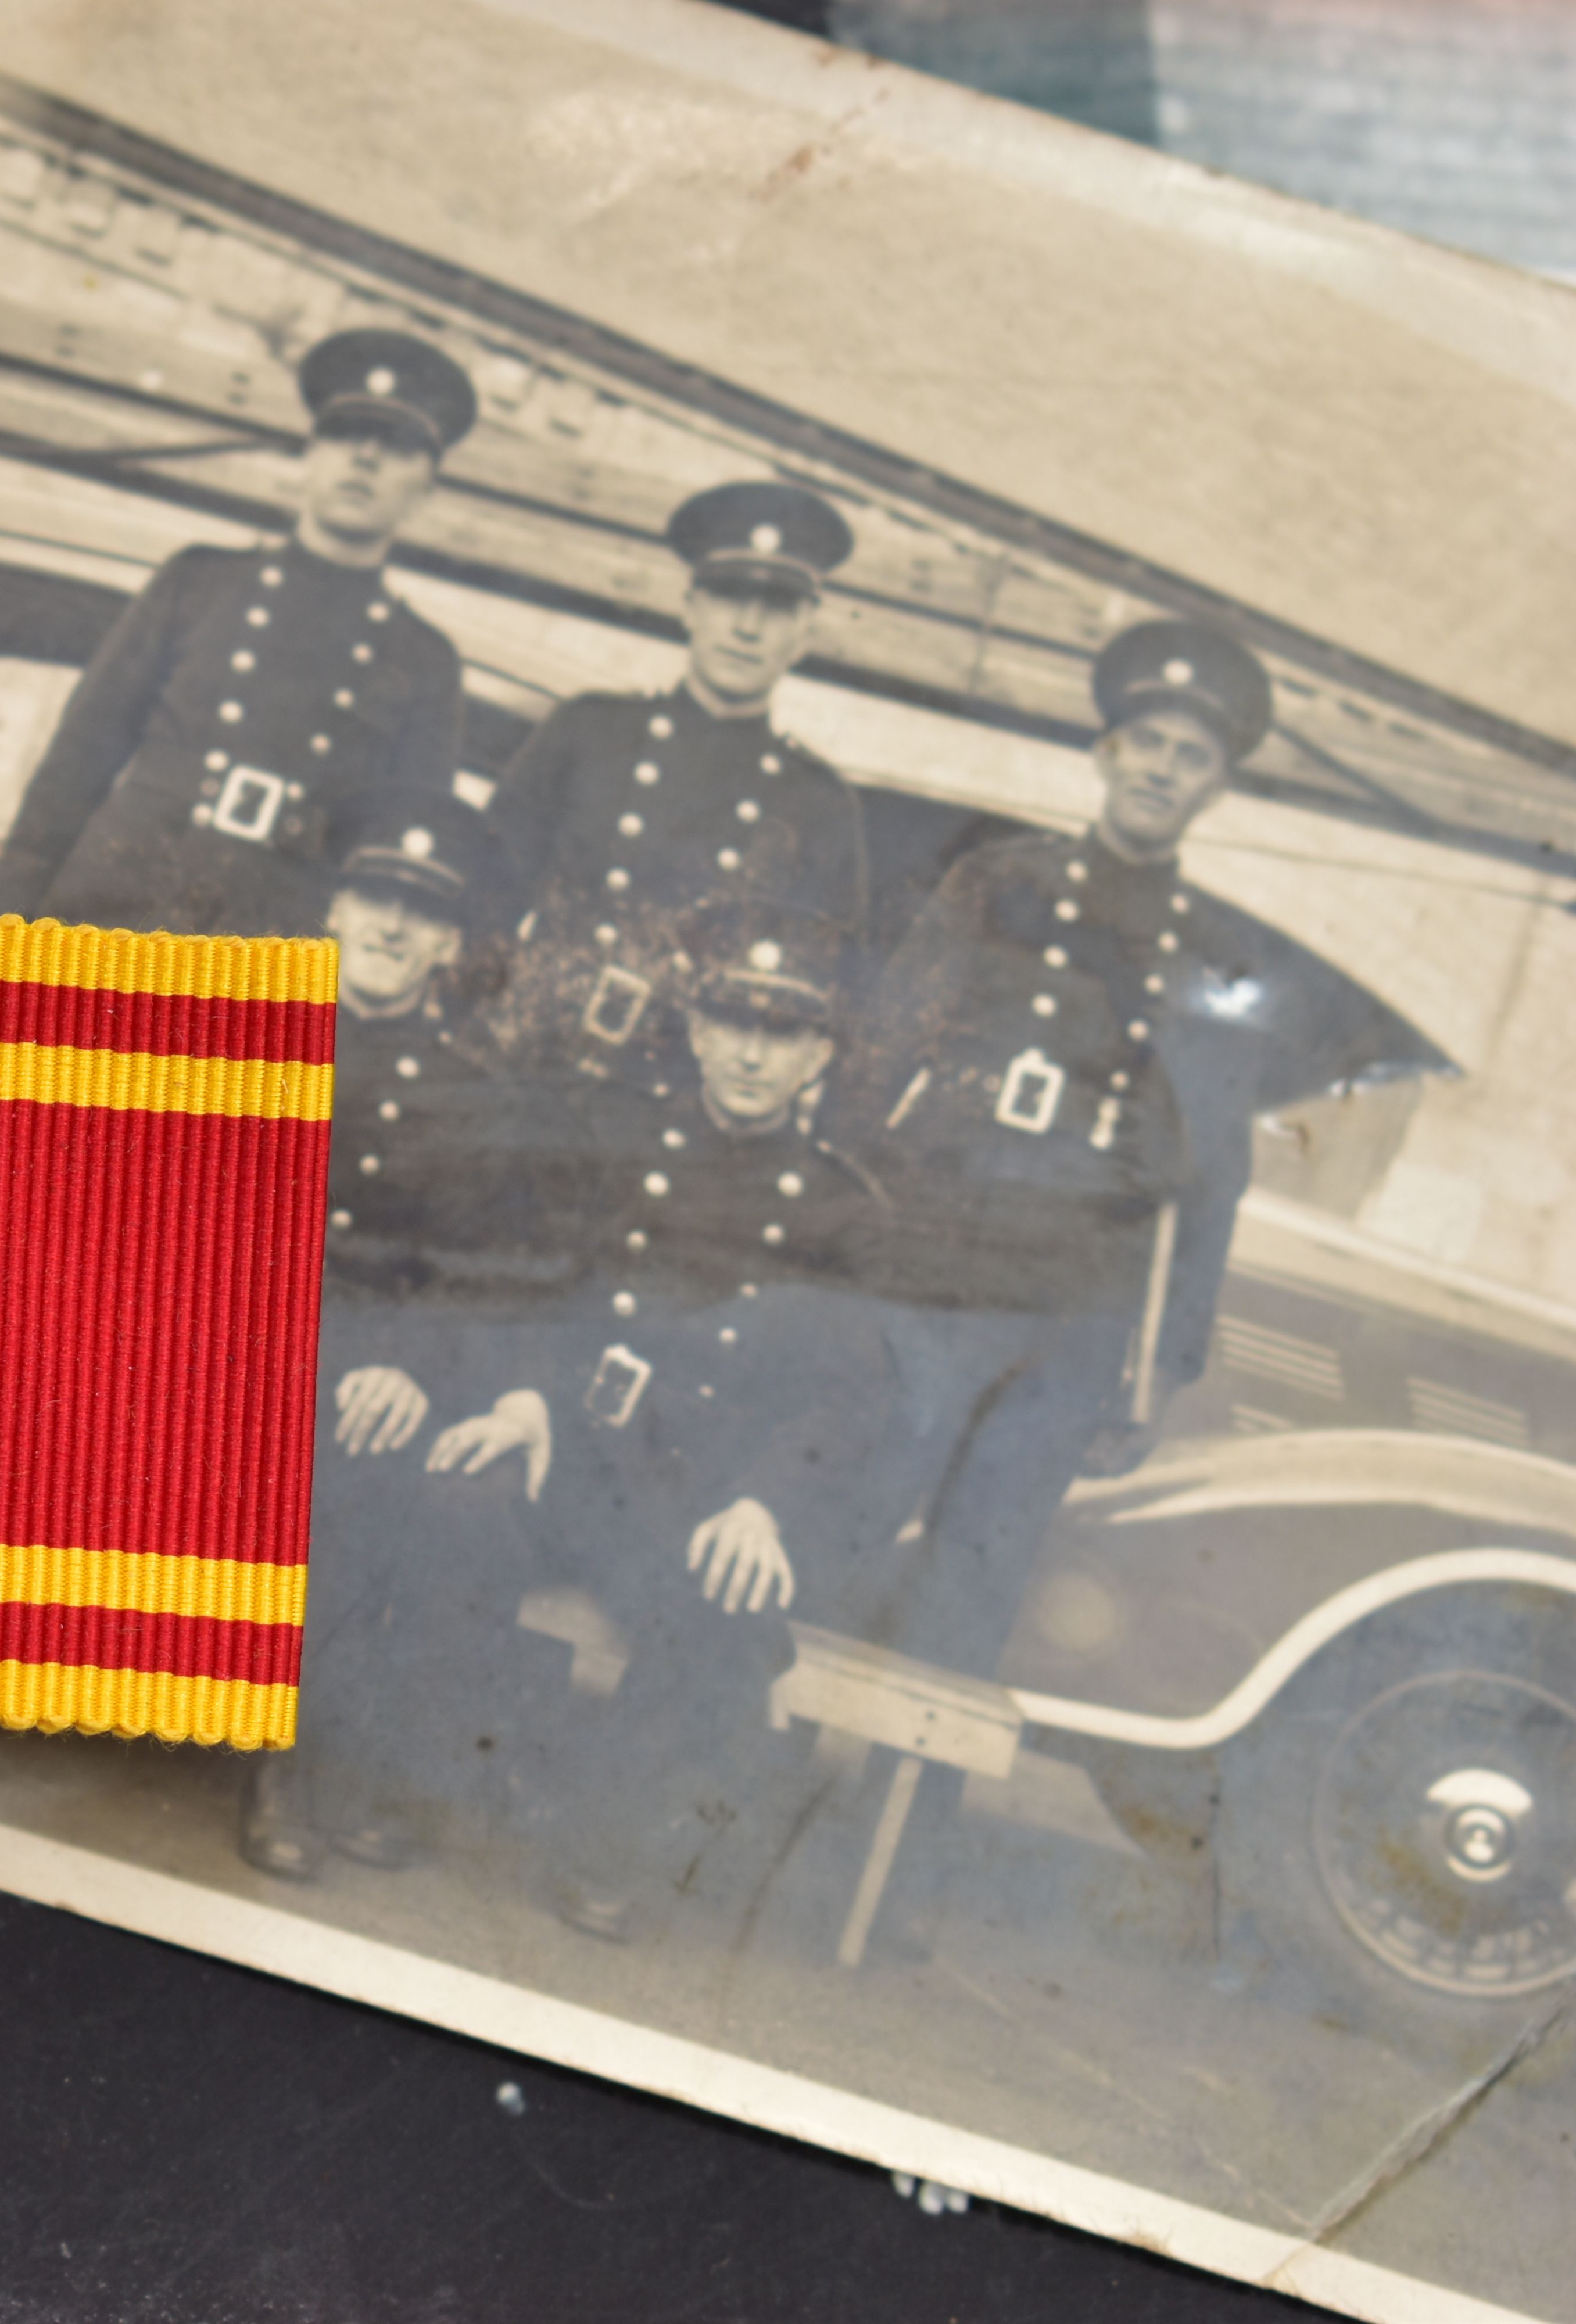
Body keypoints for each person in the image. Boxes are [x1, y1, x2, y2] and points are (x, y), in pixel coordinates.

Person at [424, 901, 892, 1937]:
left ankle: (597, 1840)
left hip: (697, 1499)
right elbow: (542, 1287)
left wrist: (767, 1506)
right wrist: (525, 1400)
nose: (752, 1055)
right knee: (457, 1501)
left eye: (782, 1036)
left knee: (726, 1612)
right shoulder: (615, 1140)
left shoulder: (838, 1211)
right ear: (696, 1032)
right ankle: (389, 1787)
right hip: (573, 1452)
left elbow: (846, 1394)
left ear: (817, 1055)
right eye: (733, 1025)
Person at [832, 616, 1279, 1684]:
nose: (1164, 771)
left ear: (1216, 789)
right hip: (925, 1287)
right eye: (1150, 744)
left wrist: (1162, 1373)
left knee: (970, 1599)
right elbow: (873, 1067)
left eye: (1193, 758)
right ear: (1107, 752)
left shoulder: (1218, 957)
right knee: (839, 1540)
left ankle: (902, 1834)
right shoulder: (998, 884)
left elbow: (1213, 1185)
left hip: (1069, 1327)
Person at [249, 817, 598, 1878]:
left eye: (426, 913)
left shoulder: (474, 1095)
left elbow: (477, 1273)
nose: (394, 927)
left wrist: (409, 1367)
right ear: (336, 910)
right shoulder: (246, 1031)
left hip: (368, 1376)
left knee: (396, 1464)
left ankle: (296, 1768)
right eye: (376, 898)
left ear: (451, 946)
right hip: (237, 1345)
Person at [0, 327, 475, 936]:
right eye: (345, 435)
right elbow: (72, 770)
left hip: (264, 957)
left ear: (426, 491)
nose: (365, 458)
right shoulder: (197, 585)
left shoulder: (424, 661)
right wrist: (4, 937)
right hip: (111, 916)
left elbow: (399, 866)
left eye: (398, 447)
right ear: (309, 456)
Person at [484, 479, 867, 1086]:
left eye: (775, 608)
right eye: (729, 596)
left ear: (807, 634)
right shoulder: (589, 732)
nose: (746, 626)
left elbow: (818, 996)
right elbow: (485, 896)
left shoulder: (817, 804)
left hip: (674, 1101)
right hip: (523, 1061)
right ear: (689, 606)